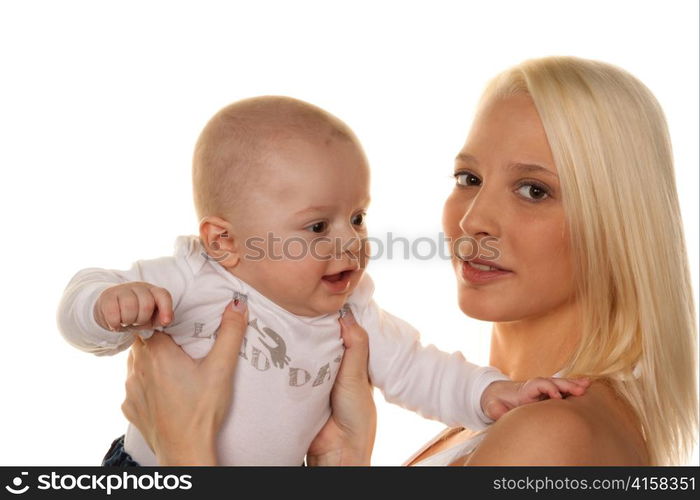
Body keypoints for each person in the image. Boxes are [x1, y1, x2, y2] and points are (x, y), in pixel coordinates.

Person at [119, 56, 698, 466]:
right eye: (468, 178)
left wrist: (186, 453)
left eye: (534, 191)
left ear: (619, 224)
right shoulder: (501, 417)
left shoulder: (552, 436)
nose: (473, 221)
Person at [57, 96, 587, 466]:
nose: (350, 243)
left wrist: (492, 394)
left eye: (357, 217)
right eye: (317, 227)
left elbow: (417, 368)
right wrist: (108, 305)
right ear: (224, 241)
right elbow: (80, 304)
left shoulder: (350, 310)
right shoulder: (195, 278)